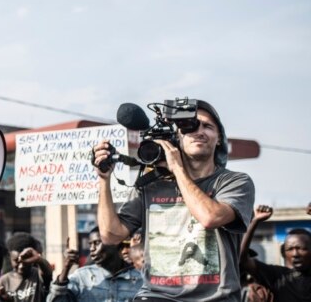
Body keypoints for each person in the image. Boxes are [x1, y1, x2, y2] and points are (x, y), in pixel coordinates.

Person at [94, 99, 255, 301]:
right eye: (190, 127)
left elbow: (210, 217)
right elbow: (111, 235)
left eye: (207, 126)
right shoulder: (151, 184)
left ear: (220, 138)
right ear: (178, 138)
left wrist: (177, 168)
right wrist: (103, 179)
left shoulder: (235, 182)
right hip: (156, 296)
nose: (199, 132)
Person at [48, 228, 142, 301]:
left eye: (97, 243)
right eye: (90, 244)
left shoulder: (140, 279)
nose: (92, 249)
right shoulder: (82, 277)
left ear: (115, 244)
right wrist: (66, 268)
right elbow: (57, 299)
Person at [240, 205, 311, 302]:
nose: (295, 254)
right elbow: (242, 260)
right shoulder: (277, 275)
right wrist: (255, 221)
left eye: (301, 248)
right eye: (290, 249)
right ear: (284, 253)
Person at [0, 232, 52, 302]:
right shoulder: (3, 282)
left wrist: (39, 259)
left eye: (25, 261)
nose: (21, 266)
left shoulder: (37, 275)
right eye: (16, 261)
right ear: (10, 257)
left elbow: (48, 272)